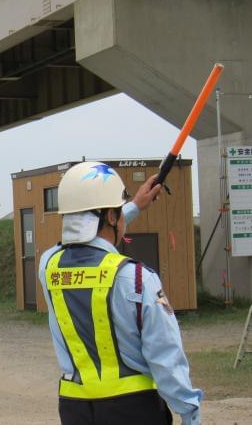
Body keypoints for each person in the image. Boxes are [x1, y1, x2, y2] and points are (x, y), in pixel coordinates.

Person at [38, 161, 202, 425]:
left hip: (75, 409)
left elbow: (88, 230)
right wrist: (189, 412)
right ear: (113, 217)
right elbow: (165, 356)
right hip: (134, 409)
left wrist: (135, 205)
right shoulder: (137, 278)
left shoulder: (48, 267)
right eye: (119, 213)